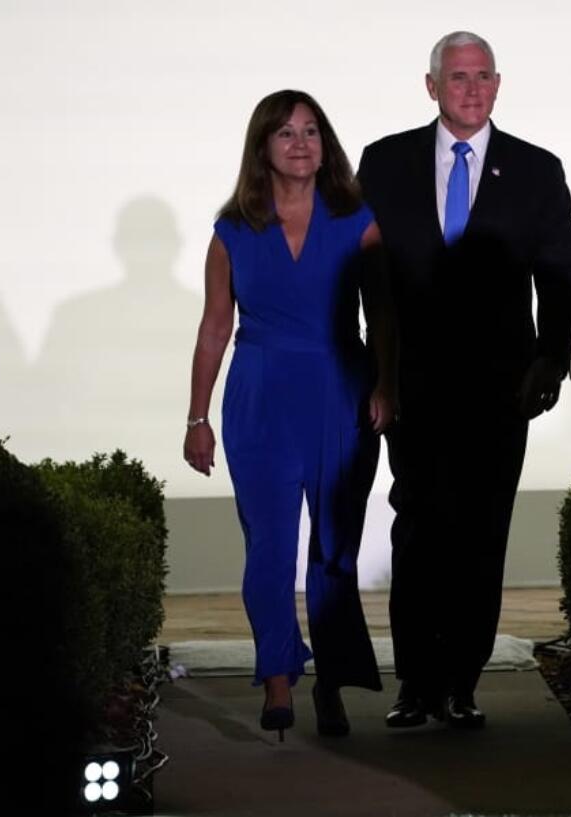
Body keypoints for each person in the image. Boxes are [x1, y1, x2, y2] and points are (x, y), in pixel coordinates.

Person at [356, 31, 571, 730]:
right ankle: (416, 683)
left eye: (483, 76)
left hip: (499, 383)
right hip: (413, 379)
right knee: (417, 525)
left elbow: (561, 271)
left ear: (498, 83)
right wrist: (375, 373)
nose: (472, 89)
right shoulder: (385, 162)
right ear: (431, 86)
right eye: (458, 77)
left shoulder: (536, 170)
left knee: (481, 529)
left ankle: (461, 682)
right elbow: (369, 275)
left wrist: (552, 356)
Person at [183, 89, 396, 741]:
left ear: (324, 144)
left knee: (333, 550)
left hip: (341, 392)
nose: (301, 143)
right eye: (285, 133)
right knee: (269, 547)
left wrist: (387, 381)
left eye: (311, 131)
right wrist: (196, 417)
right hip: (260, 397)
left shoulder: (358, 219)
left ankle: (330, 682)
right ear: (262, 149)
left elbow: (386, 312)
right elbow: (215, 328)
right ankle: (278, 677)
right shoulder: (231, 232)